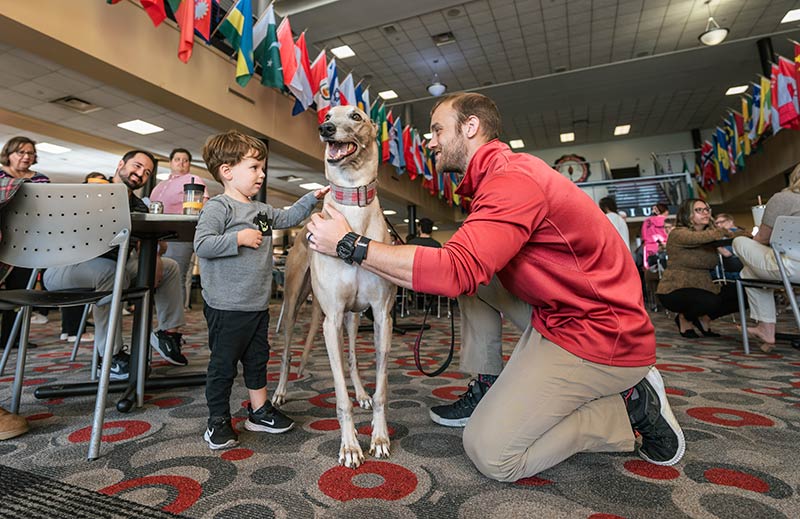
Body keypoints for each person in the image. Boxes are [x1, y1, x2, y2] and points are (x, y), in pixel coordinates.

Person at [306, 92, 685, 481]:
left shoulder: (512, 181)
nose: (430, 141)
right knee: (478, 283)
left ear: (470, 128)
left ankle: (631, 407)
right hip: (563, 311)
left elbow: (455, 271)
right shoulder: (493, 178)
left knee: (492, 453)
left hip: (599, 332)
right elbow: (470, 268)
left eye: (437, 130)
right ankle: (487, 384)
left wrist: (349, 244)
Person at [194, 130, 329, 450]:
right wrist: (237, 240)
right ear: (227, 171)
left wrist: (312, 198)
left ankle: (259, 411)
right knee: (223, 365)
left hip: (256, 305)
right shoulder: (219, 208)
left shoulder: (262, 211)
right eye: (254, 167)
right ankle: (217, 420)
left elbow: (289, 217)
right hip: (226, 305)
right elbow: (202, 244)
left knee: (257, 359)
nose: (262, 174)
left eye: (262, 167)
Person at [43, 150, 189, 380]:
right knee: (110, 273)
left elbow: (150, 245)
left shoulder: (139, 206)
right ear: (121, 164)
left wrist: (156, 255)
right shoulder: (91, 191)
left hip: (114, 267)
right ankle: (110, 356)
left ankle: (168, 333)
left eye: (147, 172)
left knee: (169, 267)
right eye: (137, 166)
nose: (140, 174)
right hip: (66, 267)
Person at [733, 165, 800, 351]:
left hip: (791, 268)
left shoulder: (784, 198)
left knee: (740, 244)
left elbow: (761, 239)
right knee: (749, 271)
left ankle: (766, 328)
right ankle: (765, 329)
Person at [656, 199, 746, 338]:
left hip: (705, 286)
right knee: (710, 300)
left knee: (745, 292)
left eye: (706, 209)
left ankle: (705, 319)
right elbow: (697, 238)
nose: (705, 213)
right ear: (687, 214)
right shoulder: (678, 233)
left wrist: (745, 234)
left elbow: (736, 235)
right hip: (675, 289)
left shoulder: (710, 235)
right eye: (699, 210)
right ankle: (685, 318)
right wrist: (723, 231)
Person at [0, 136, 50, 349]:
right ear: (8, 154)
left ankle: (13, 338)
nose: (26, 156)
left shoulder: (40, 180)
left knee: (20, 293)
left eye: (30, 153)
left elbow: (47, 209)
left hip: (28, 242)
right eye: (20, 152)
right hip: (2, 237)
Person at [149, 148, 209, 308]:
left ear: (189, 164)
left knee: (175, 276)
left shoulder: (193, 180)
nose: (181, 163)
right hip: (156, 235)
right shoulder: (161, 185)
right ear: (170, 162)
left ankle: (174, 322)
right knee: (156, 276)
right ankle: (161, 316)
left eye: (185, 160)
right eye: (177, 159)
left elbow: (203, 205)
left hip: (179, 234)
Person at [712, 212, 743, 281]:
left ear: (730, 221)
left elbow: (727, 253)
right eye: (716, 223)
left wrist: (714, 242)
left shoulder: (735, 234)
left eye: (721, 222)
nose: (719, 225)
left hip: (733, 271)